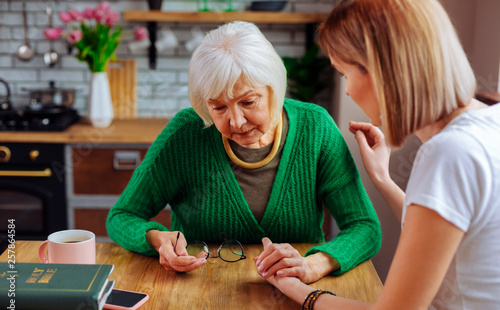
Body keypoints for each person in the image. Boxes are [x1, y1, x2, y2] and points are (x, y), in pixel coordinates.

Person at [257, 0, 500, 310]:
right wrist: (384, 179)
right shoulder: (490, 116)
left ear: (383, 70)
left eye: (345, 72)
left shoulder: (448, 153)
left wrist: (299, 291)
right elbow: (447, 235)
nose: (347, 88)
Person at [106, 21, 381, 283]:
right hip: (198, 297)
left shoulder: (316, 127)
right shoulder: (185, 134)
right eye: (219, 107)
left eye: (248, 101)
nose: (236, 121)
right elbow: (121, 216)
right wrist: (158, 239)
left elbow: (364, 227)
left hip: (297, 294)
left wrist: (314, 264)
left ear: (274, 89)